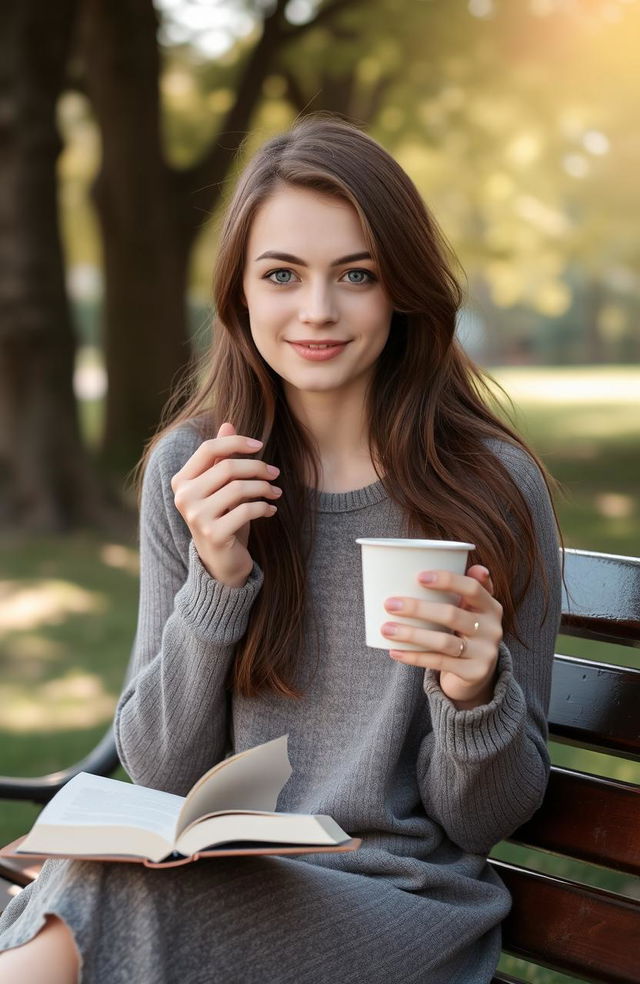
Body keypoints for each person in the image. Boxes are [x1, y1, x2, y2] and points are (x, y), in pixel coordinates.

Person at [0, 114, 562, 984]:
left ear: (401, 290)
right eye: (282, 274)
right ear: (240, 294)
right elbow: (159, 770)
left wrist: (474, 690)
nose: (317, 310)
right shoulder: (194, 472)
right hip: (220, 881)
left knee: (94, 900)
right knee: (84, 886)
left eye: (356, 275)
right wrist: (216, 585)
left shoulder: (489, 489)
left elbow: (482, 822)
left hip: (402, 906)